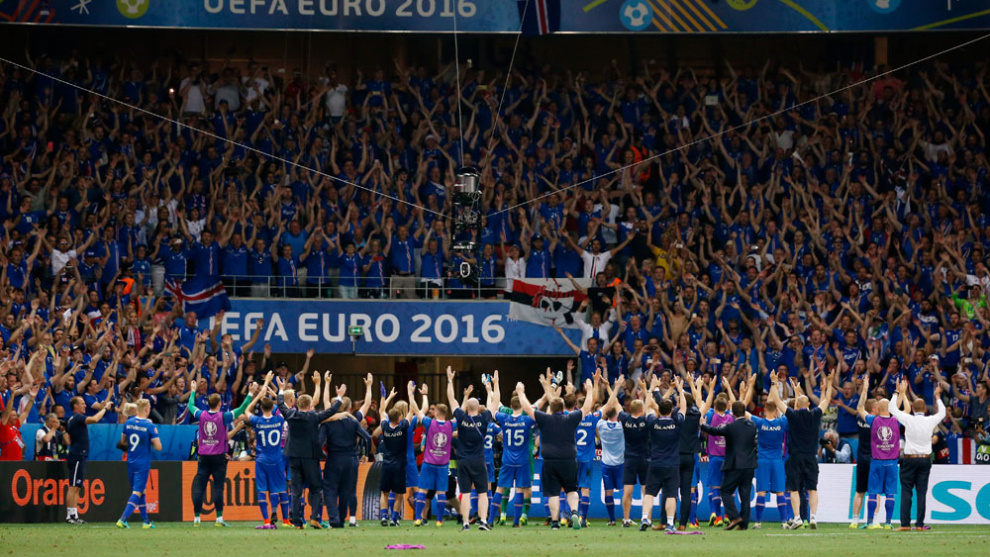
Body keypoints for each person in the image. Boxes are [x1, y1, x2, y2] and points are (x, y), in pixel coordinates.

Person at [515, 371, 597, 530]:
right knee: (572, 490)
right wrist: (589, 390)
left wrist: (520, 392)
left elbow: (527, 409)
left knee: (553, 493)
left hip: (550, 461)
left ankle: (554, 522)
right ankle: (574, 512)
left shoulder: (545, 418)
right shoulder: (571, 418)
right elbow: (587, 407)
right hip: (569, 460)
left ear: (551, 408)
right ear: (563, 408)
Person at [277, 371, 344, 530]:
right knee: (316, 488)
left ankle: (297, 522)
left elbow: (280, 404)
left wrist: (280, 390)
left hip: (293, 457)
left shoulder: (290, 415)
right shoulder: (313, 417)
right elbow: (331, 411)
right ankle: (315, 518)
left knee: (296, 490)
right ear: (309, 406)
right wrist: (339, 397)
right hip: (310, 457)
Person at [771, 370, 834, 530]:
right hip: (811, 457)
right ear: (809, 405)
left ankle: (797, 517)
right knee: (812, 489)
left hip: (795, 457)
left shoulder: (792, 415)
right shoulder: (815, 414)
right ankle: (813, 517)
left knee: (794, 489)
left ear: (797, 405)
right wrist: (829, 383)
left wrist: (773, 382)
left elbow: (777, 401)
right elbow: (826, 400)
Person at [187, 377, 254, 527]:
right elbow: (242, 409)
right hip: (218, 456)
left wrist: (192, 391)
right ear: (219, 404)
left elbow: (190, 406)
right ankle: (219, 519)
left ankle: (197, 519)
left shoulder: (202, 415)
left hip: (203, 456)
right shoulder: (223, 416)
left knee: (200, 487)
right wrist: (250, 394)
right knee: (218, 487)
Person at [889, 378, 946, 531]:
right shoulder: (930, 420)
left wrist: (897, 391)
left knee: (906, 491)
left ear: (913, 408)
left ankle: (905, 524)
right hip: (925, 460)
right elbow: (943, 413)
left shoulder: (908, 419)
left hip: (910, 459)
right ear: (925, 409)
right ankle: (920, 525)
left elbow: (892, 409)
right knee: (921, 493)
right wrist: (938, 396)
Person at [320, 373, 373, 528]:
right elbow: (367, 437)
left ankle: (334, 519)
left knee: (330, 489)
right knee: (347, 490)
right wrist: (365, 454)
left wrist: (326, 383)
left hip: (334, 458)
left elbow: (319, 442)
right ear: (349, 407)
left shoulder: (327, 421)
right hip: (351, 459)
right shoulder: (353, 420)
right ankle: (343, 519)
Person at [446, 365, 496, 531]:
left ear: (466, 408)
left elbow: (452, 400)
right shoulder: (484, 419)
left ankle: (466, 523)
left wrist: (450, 381)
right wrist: (493, 386)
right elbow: (494, 403)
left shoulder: (461, 418)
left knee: (466, 493)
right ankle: (483, 521)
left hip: (463, 461)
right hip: (479, 460)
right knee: (483, 493)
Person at [700, 399, 758, 531]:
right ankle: (744, 523)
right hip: (750, 465)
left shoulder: (731, 427)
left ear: (733, 413)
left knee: (725, 491)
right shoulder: (752, 426)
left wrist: (702, 425)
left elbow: (714, 431)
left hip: (735, 465)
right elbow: (755, 443)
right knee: (745, 495)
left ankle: (734, 517)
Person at [240, 374, 287, 530]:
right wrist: (278, 392)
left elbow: (246, 410)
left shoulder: (257, 421)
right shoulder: (279, 420)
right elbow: (284, 408)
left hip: (261, 459)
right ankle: (278, 514)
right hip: (277, 459)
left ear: (261, 408)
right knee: (277, 489)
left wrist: (257, 397)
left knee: (261, 490)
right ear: (272, 408)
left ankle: (266, 522)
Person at [640, 376, 686, 533]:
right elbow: (684, 407)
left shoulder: (653, 422)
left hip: (655, 463)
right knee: (671, 495)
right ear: (672, 410)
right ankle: (670, 523)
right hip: (672, 464)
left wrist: (650, 389)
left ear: (658, 410)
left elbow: (647, 407)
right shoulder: (676, 422)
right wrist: (679, 389)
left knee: (649, 493)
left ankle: (645, 518)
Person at [492, 374, 538, 527]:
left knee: (503, 486)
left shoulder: (505, 414)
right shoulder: (527, 414)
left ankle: (499, 516)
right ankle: (521, 517)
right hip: (525, 456)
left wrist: (491, 387)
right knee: (524, 487)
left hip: (508, 456)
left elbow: (495, 405)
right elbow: (539, 405)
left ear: (511, 405)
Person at [855, 378, 899, 530]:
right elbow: (905, 410)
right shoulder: (896, 420)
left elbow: (860, 408)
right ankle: (888, 523)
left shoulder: (873, 420)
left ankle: (869, 521)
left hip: (876, 461)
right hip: (892, 462)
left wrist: (865, 389)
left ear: (878, 408)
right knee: (890, 493)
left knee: (873, 492)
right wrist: (900, 393)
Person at [115, 400, 162, 529]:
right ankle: (123, 519)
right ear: (146, 409)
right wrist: (149, 439)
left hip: (130, 461)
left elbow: (123, 441)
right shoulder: (149, 425)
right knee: (137, 492)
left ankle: (146, 521)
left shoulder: (128, 423)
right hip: (142, 463)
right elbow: (158, 447)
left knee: (141, 490)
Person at [751, 373, 790, 530]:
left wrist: (748, 388)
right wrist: (774, 384)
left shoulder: (760, 422)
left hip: (762, 460)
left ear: (764, 409)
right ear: (776, 410)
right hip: (777, 461)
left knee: (761, 491)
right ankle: (784, 522)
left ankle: (758, 522)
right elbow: (781, 406)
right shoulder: (782, 422)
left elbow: (743, 412)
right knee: (780, 492)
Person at [378, 381, 420, 526]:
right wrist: (410, 393)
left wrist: (385, 397)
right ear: (399, 419)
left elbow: (381, 411)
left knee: (384, 493)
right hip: (399, 465)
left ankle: (384, 517)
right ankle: (394, 519)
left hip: (386, 464)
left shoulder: (385, 427)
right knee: (399, 494)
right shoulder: (403, 427)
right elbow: (412, 411)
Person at [64, 393, 110, 524]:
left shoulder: (74, 419)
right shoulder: (77, 417)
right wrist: (105, 408)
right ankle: (69, 516)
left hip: (80, 455)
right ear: (75, 406)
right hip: (77, 455)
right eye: (82, 403)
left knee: (77, 486)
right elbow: (94, 419)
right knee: (73, 486)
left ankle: (74, 515)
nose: (85, 405)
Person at [413, 383, 452, 527]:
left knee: (423, 490)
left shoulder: (429, 423)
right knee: (441, 492)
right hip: (443, 465)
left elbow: (417, 411)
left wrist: (421, 395)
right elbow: (460, 412)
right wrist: (465, 397)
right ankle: (439, 520)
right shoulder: (450, 425)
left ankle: (418, 518)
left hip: (428, 463)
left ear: (436, 413)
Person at [619, 380, 651, 528]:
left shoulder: (625, 419)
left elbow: (615, 404)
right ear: (642, 409)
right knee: (646, 490)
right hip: (645, 458)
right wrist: (646, 390)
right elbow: (649, 406)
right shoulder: (646, 420)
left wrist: (612, 388)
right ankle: (647, 519)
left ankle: (626, 519)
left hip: (630, 458)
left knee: (628, 490)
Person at [597, 375, 625, 526]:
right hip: (620, 463)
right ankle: (626, 517)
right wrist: (614, 386)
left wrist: (609, 387)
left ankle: (612, 519)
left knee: (608, 491)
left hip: (606, 463)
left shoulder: (601, 425)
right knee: (624, 491)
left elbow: (609, 406)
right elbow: (617, 406)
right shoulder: (621, 427)